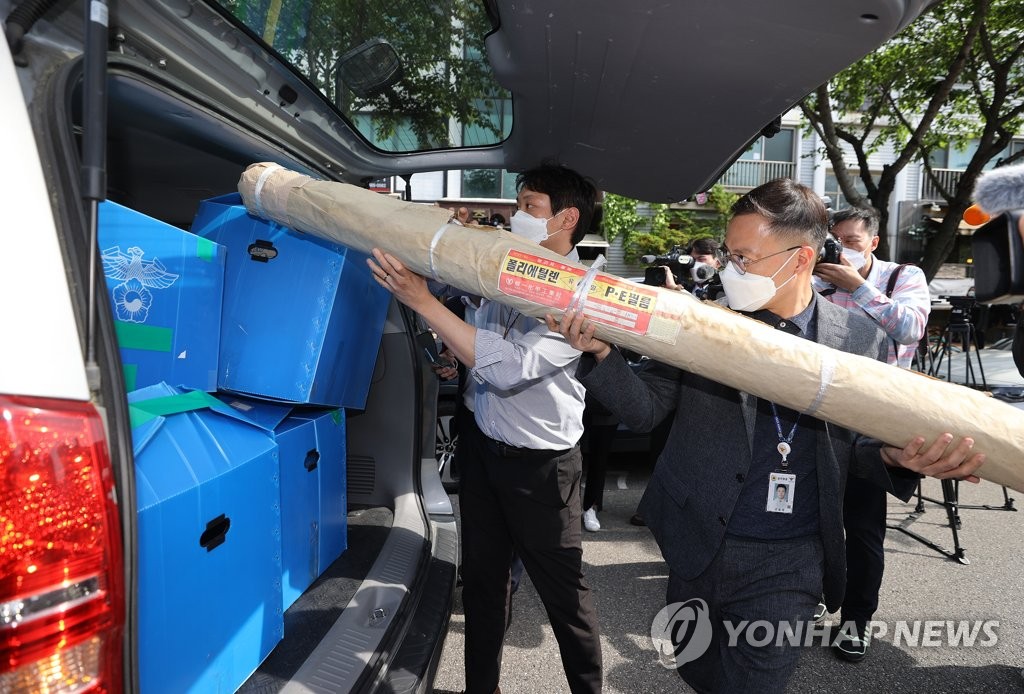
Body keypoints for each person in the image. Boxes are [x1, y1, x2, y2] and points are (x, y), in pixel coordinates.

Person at [546, 178, 985, 693]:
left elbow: (858, 448)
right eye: (730, 256)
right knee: (698, 669)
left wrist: (896, 456)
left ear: (800, 258)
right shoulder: (703, 326)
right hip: (699, 541)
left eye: (745, 258)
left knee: (757, 681)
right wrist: (600, 354)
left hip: (793, 558)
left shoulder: (857, 340)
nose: (733, 270)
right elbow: (645, 410)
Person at [368, 164, 602, 694]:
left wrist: (423, 303)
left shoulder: (585, 298)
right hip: (483, 447)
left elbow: (510, 367)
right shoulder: (507, 266)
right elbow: (477, 326)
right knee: (481, 583)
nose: (516, 215)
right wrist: (456, 344)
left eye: (529, 207)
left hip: (542, 468)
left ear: (566, 218)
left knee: (564, 595)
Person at [813, 205, 932, 662]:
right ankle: (815, 594)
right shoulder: (816, 281)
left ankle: (857, 621)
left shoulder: (903, 276)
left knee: (862, 528)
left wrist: (857, 288)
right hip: (817, 417)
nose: (840, 251)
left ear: (874, 244)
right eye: (833, 240)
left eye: (852, 243)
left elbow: (909, 329)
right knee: (808, 515)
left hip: (873, 422)